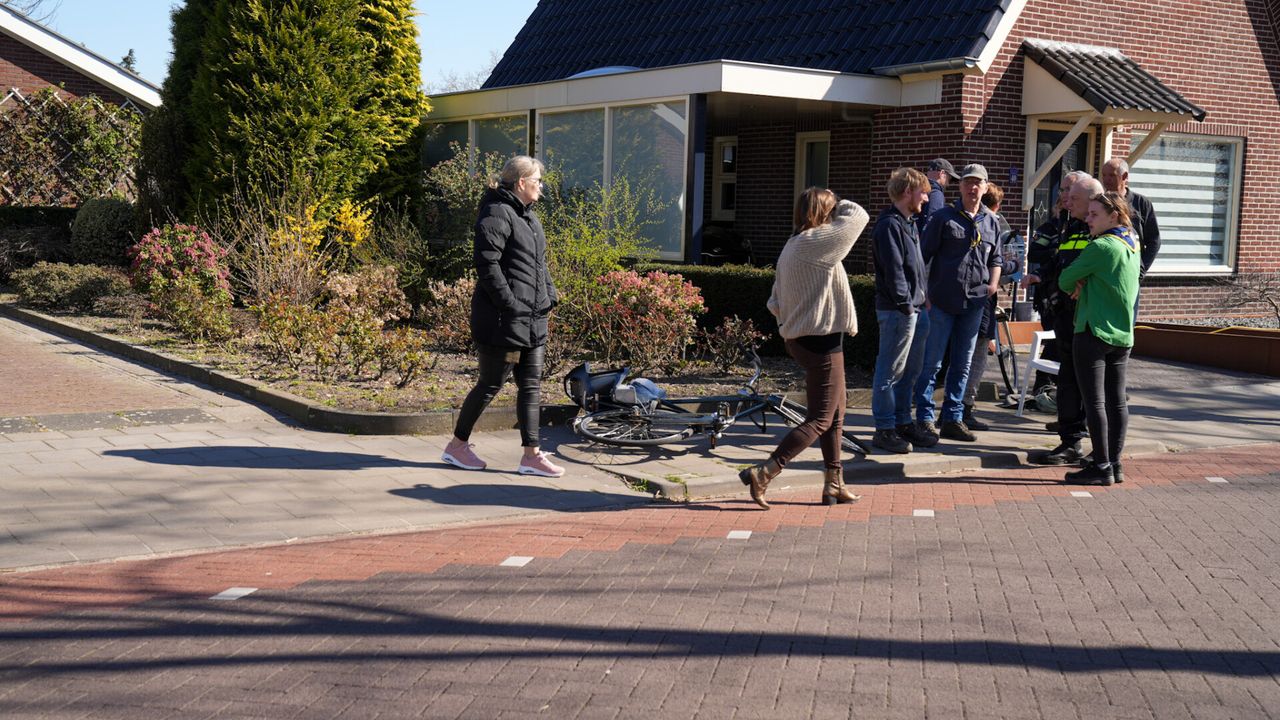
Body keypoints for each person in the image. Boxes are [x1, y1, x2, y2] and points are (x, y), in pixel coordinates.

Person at [739, 188, 869, 509]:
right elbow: (859, 216)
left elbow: (774, 301)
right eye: (831, 209)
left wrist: (795, 319)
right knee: (821, 419)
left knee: (836, 415)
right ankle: (765, 471)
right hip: (821, 342)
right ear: (824, 212)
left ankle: (834, 484)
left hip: (804, 340)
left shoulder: (793, 245)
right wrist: (839, 204)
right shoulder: (816, 242)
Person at [442, 155, 564, 478]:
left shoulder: (530, 218)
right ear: (521, 182)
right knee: (491, 383)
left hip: (534, 319)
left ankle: (531, 456)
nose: (541, 185)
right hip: (504, 321)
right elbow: (486, 264)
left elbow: (540, 265)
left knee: (531, 386)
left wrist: (549, 296)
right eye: (537, 180)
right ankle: (456, 446)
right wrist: (509, 303)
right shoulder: (497, 212)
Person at [912, 164, 1003, 443]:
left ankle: (953, 417)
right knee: (933, 363)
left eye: (977, 183)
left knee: (962, 364)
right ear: (960, 186)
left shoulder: (992, 222)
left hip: (974, 304)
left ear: (985, 187)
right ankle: (925, 419)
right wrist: (924, 293)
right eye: (967, 182)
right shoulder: (943, 217)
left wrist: (993, 285)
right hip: (941, 301)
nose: (972, 187)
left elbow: (996, 258)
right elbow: (922, 255)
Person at [1057, 190, 1141, 486]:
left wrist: (1079, 284)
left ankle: (1101, 465)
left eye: (1094, 214)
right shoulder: (1132, 243)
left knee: (1094, 402)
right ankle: (1114, 464)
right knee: (1117, 402)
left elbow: (1065, 278)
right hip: (1122, 333)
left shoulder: (1102, 246)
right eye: (1088, 213)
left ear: (1114, 216)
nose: (1088, 219)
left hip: (1093, 331)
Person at [1032, 176, 1102, 465]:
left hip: (1086, 316)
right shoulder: (1070, 225)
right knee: (1068, 378)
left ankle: (1094, 446)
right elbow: (1058, 260)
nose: (1066, 201)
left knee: (1089, 382)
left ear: (1089, 199)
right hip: (1063, 313)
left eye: (1072, 197)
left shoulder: (1098, 228)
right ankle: (1070, 441)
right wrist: (1040, 276)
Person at [869, 168, 931, 454]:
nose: (927, 198)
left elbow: (914, 267)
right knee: (890, 370)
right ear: (908, 192)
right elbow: (894, 270)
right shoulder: (889, 226)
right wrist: (907, 304)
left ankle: (903, 422)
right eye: (923, 192)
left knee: (911, 370)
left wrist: (923, 298)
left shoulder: (909, 223)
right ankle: (884, 428)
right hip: (899, 311)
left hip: (915, 309)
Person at [961, 183, 1022, 431]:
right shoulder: (991, 223)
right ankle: (964, 407)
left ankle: (959, 407)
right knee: (976, 354)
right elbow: (992, 264)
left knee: (965, 352)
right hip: (983, 299)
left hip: (970, 298)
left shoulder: (973, 222)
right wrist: (1013, 266)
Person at [1101, 158, 1160, 277]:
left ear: (1125, 176)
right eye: (1104, 175)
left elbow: (1154, 240)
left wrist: (1141, 270)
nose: (1106, 180)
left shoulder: (1141, 203)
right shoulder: (1099, 202)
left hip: (1130, 273)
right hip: (1104, 272)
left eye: (1111, 175)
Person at [918, 158, 960, 233]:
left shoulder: (916, 190)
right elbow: (933, 224)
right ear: (942, 173)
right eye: (949, 179)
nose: (948, 184)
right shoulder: (936, 194)